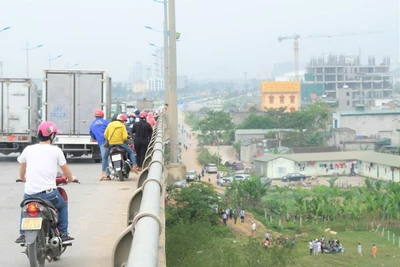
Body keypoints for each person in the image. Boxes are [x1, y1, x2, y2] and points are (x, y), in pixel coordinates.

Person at [15, 121, 76, 244]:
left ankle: (22, 234)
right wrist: (71, 179)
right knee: (62, 206)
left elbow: (22, 168)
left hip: (30, 193)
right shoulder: (56, 151)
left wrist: (22, 178)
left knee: (25, 207)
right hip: (49, 194)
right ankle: (63, 233)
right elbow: (66, 171)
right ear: (52, 135)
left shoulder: (28, 149)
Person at [89, 109, 110, 180]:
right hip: (111, 140)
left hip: (101, 142)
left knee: (105, 158)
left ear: (95, 116)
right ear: (103, 115)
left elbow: (92, 135)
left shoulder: (92, 124)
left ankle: (107, 175)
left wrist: (97, 138)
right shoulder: (106, 122)